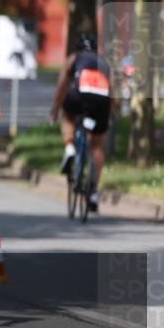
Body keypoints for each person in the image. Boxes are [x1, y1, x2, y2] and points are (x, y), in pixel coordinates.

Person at [49, 33, 112, 212]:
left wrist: (55, 109)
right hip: (101, 100)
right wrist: (108, 115)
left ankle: (69, 147)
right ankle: (92, 191)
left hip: (79, 96)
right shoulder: (104, 62)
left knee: (67, 116)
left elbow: (62, 86)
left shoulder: (74, 58)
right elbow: (112, 90)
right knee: (97, 145)